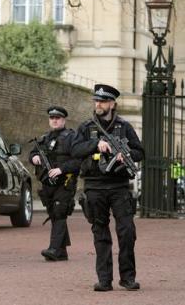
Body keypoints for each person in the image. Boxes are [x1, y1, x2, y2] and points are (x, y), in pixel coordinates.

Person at [71, 84, 144, 292]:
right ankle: (104, 280)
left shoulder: (124, 126)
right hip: (94, 186)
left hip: (119, 187)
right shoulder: (86, 127)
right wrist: (96, 145)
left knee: (127, 231)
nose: (98, 104)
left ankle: (127, 277)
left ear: (112, 103)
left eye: (102, 101)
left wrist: (126, 154)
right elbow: (75, 150)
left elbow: (140, 152)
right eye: (96, 101)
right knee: (100, 233)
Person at [30, 106, 80, 261]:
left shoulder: (72, 137)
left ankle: (54, 248)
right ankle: (62, 250)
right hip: (48, 183)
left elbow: (79, 160)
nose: (55, 120)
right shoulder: (45, 138)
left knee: (59, 212)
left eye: (58, 118)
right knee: (53, 213)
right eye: (52, 118)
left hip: (65, 182)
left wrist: (61, 169)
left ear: (64, 120)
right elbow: (32, 153)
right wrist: (34, 158)